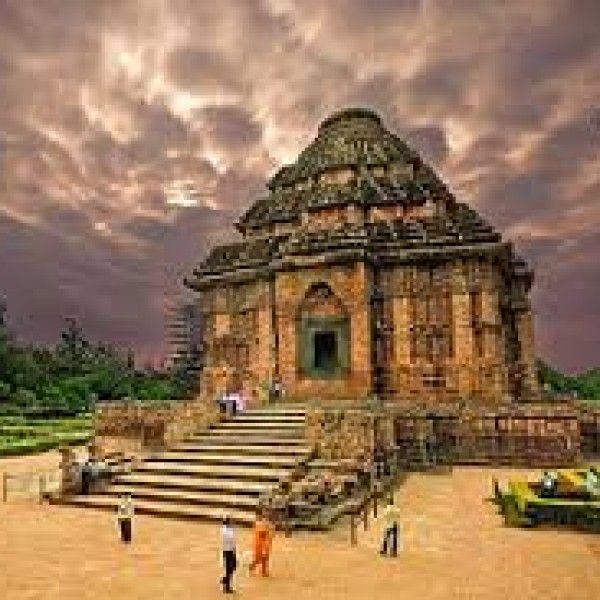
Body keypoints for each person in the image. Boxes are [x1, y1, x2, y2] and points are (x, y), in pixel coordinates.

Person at [249, 511, 274, 577]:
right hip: (259, 541)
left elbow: (271, 534)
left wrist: (268, 541)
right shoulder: (260, 523)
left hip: (265, 541)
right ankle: (253, 568)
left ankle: (263, 571)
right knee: (259, 557)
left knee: (265, 556)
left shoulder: (268, 524)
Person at [220, 516, 237, 593]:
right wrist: (234, 551)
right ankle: (226, 586)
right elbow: (232, 542)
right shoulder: (228, 532)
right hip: (229, 551)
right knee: (230, 568)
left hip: (225, 550)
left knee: (230, 567)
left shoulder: (224, 529)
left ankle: (225, 580)